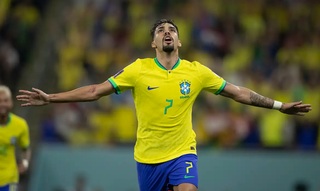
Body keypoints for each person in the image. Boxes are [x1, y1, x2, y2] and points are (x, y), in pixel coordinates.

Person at [16, 19, 312, 191]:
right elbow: (95, 91)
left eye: (172, 29)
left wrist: (279, 105)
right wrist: (51, 98)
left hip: (183, 151)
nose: (167, 31)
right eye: (160, 30)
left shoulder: (197, 71)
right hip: (147, 157)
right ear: (154, 43)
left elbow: (239, 94)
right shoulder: (138, 69)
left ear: (179, 42)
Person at [0, 85, 31, 191]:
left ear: (11, 103)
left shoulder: (20, 125)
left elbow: (26, 148)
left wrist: (25, 162)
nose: (2, 104)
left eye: (5, 100)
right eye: (0, 101)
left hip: (9, 179)